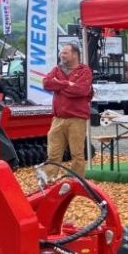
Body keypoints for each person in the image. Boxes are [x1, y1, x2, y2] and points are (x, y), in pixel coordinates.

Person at [42, 43, 93, 179]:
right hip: (58, 119)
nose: (61, 55)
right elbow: (46, 83)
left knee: (77, 154)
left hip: (77, 119)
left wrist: (58, 85)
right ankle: (48, 181)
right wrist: (66, 84)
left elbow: (81, 90)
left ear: (75, 54)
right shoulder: (57, 69)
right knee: (53, 153)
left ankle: (77, 182)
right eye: (61, 53)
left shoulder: (85, 70)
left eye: (65, 53)